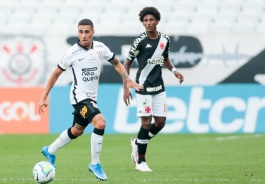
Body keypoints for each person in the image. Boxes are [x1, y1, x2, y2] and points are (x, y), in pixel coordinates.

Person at [38, 18, 143, 181]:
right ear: (78, 33)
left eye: (87, 31)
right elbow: (55, 74)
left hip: (92, 98)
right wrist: (43, 97)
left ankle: (50, 151)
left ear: (93, 32)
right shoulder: (71, 53)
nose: (84, 35)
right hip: (79, 98)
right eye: (80, 32)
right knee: (100, 123)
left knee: (77, 130)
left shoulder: (100, 48)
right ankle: (95, 163)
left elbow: (116, 63)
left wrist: (128, 79)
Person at [123, 7, 184, 172]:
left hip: (159, 87)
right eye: (145, 21)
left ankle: (137, 142)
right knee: (146, 123)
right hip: (143, 87)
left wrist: (174, 71)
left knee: (160, 123)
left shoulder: (165, 39)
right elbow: (126, 63)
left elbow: (165, 58)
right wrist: (126, 87)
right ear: (142, 22)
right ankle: (140, 162)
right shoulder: (140, 41)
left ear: (157, 21)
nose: (148, 23)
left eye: (151, 20)